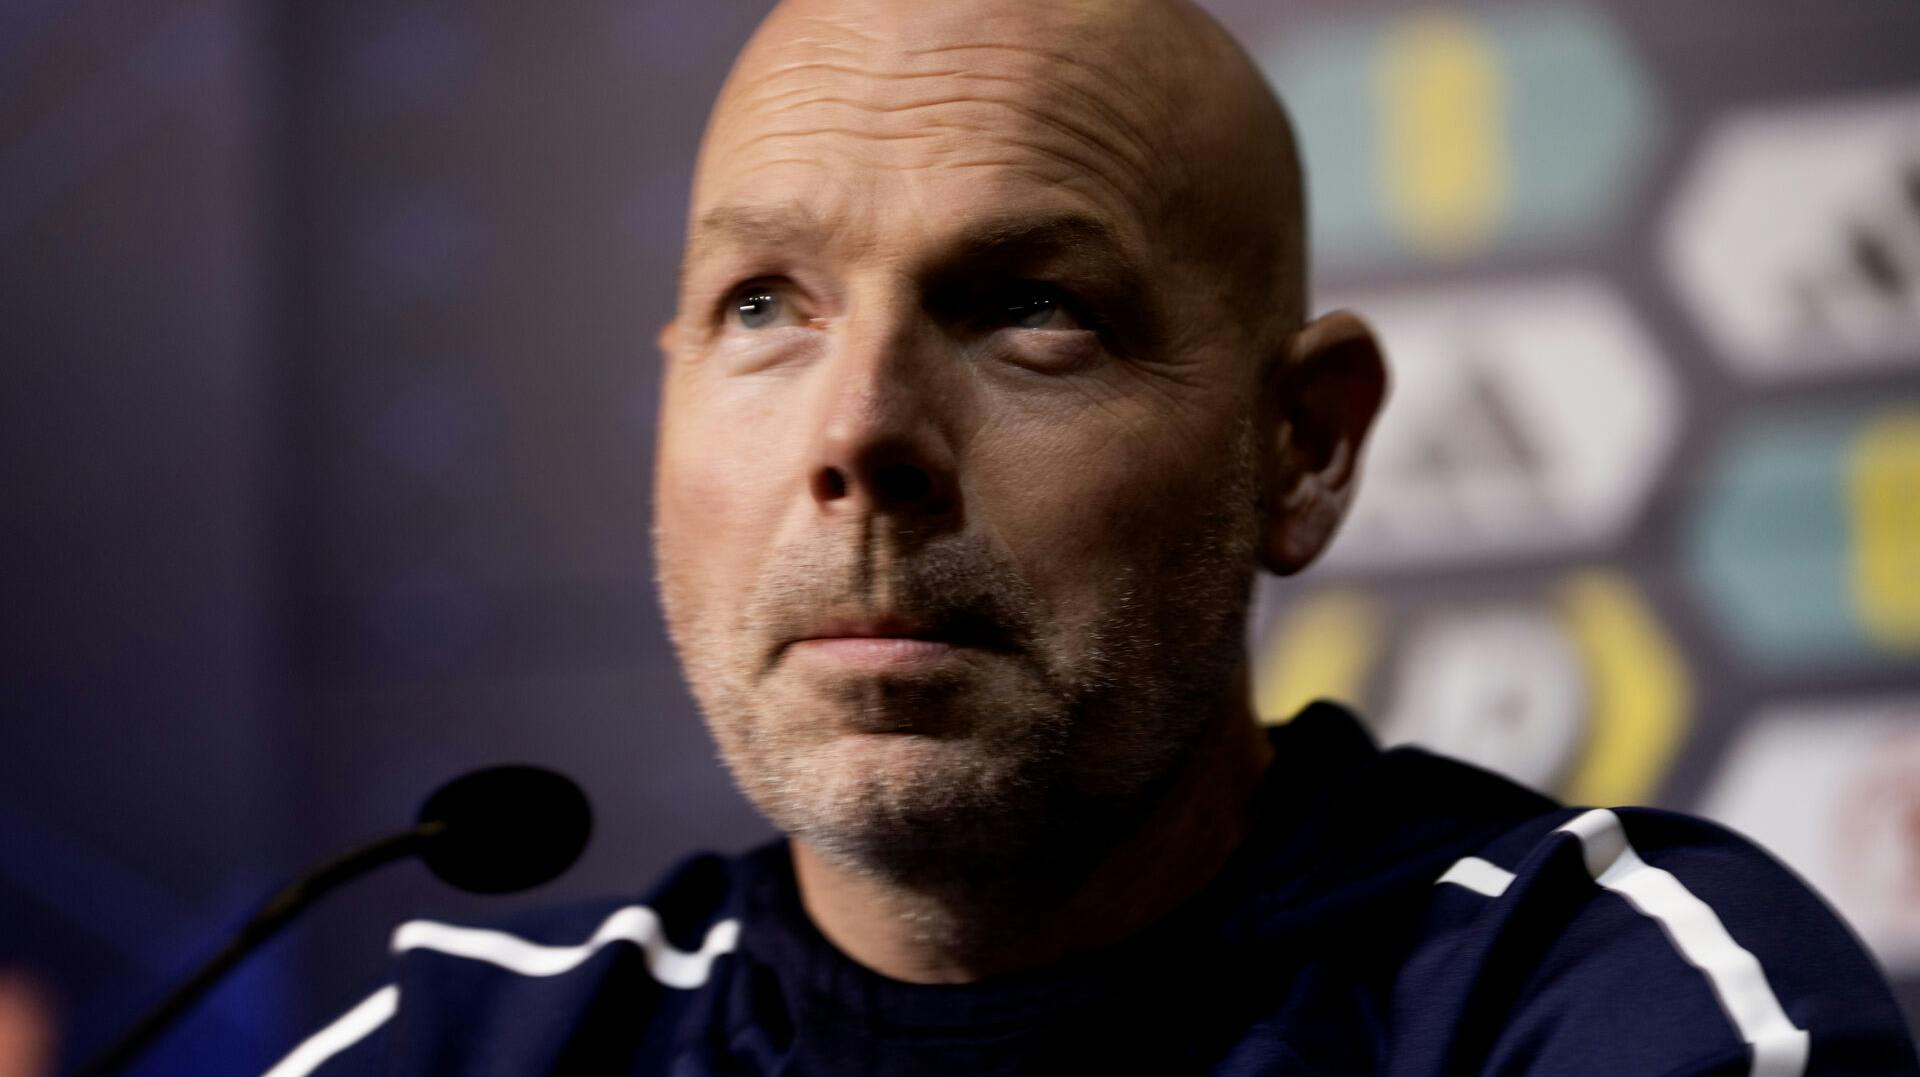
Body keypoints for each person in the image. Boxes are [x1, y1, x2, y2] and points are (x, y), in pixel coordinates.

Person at [266, 0, 1919, 1073]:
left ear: (1305, 449)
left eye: (1031, 310)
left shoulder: (1592, 996)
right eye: (763, 305)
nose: (857, 436)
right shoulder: (453, 1039)